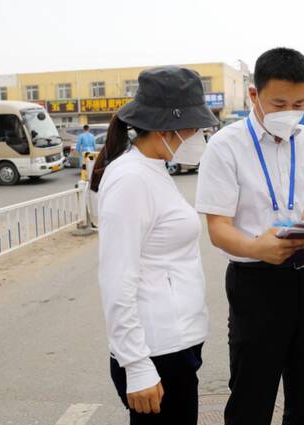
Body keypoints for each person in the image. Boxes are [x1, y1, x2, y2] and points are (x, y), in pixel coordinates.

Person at [195, 47, 304, 425]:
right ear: (253, 95)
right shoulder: (225, 146)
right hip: (256, 283)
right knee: (252, 393)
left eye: (300, 103)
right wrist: (256, 248)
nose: (290, 112)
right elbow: (218, 228)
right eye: (279, 103)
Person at [92, 66, 218, 424]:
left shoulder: (154, 168)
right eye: (195, 127)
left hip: (176, 346)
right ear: (167, 128)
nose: (199, 135)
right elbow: (117, 278)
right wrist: (136, 365)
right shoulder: (131, 179)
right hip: (155, 353)